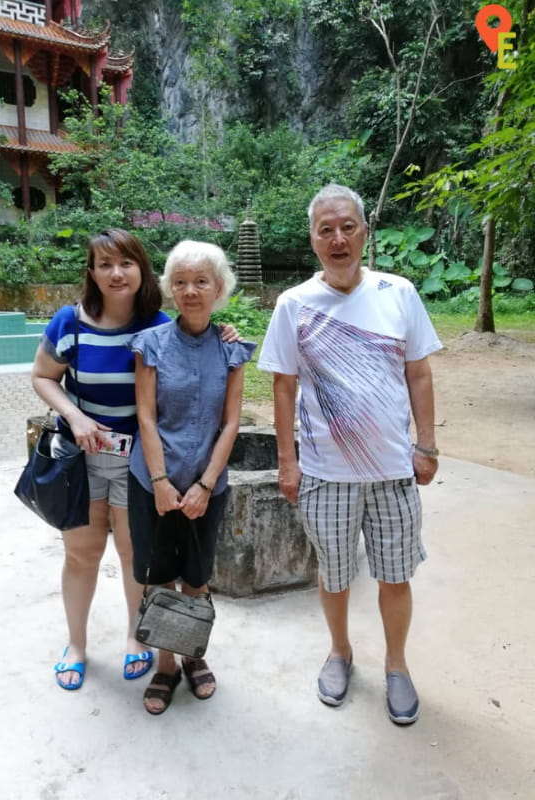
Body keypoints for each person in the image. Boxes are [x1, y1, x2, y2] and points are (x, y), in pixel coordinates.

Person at [257, 184, 442, 725]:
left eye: (347, 227)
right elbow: (285, 387)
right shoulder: (294, 304)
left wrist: (426, 445)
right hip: (324, 473)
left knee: (395, 575)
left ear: (364, 232)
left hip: (392, 471)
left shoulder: (399, 293)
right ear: (312, 238)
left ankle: (397, 665)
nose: (338, 238)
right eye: (325, 229)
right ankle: (339, 652)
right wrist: (287, 461)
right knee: (333, 574)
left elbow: (419, 372)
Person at [31, 229, 240, 690]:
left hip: (139, 464)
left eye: (125, 263)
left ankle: (135, 638)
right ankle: (78, 646)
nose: (116, 273)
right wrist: (74, 416)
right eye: (104, 264)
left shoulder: (157, 325)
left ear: (142, 271)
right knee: (81, 555)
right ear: (92, 273)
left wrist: (224, 334)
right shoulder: (70, 322)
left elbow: (196, 342)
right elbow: (43, 376)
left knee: (135, 557)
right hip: (82, 461)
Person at [128, 239, 256, 715]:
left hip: (208, 485)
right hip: (153, 482)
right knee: (159, 578)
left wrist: (204, 485)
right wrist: (161, 481)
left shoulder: (232, 348)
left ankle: (193, 655)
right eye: (180, 282)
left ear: (219, 287)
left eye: (201, 281)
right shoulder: (151, 345)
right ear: (169, 289)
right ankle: (165, 665)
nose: (190, 290)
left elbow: (231, 422)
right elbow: (145, 417)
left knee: (197, 578)